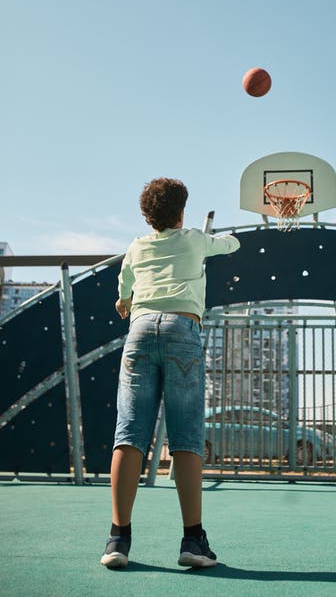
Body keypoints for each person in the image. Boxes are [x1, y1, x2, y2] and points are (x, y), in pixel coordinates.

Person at [100, 177, 240, 569]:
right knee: (186, 438)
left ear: (147, 216)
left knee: (129, 435)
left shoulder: (137, 247)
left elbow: (124, 288)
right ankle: (193, 541)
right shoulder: (195, 239)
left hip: (141, 330)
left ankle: (117, 539)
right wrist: (218, 239)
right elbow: (231, 244)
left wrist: (125, 300)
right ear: (181, 211)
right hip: (182, 329)